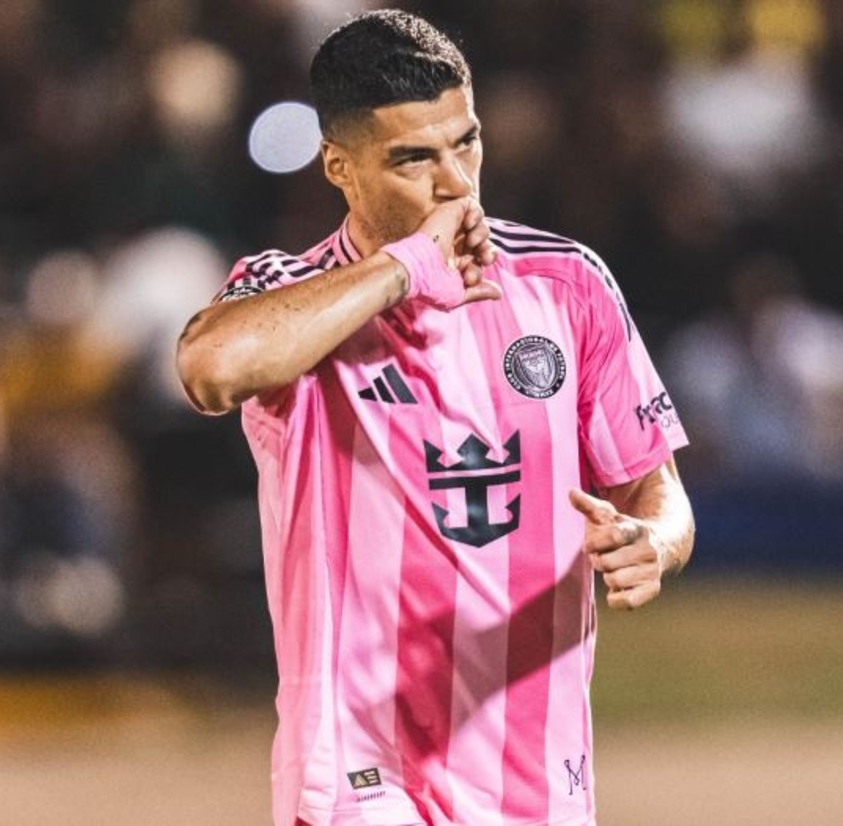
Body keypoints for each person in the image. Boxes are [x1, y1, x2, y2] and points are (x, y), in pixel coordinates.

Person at [176, 10, 695, 826]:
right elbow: (213, 369)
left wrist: (650, 542)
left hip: (533, 779)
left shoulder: (566, 285)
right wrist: (409, 267)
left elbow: (655, 489)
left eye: (466, 142)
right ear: (339, 167)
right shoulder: (292, 295)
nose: (454, 182)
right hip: (357, 776)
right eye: (413, 158)